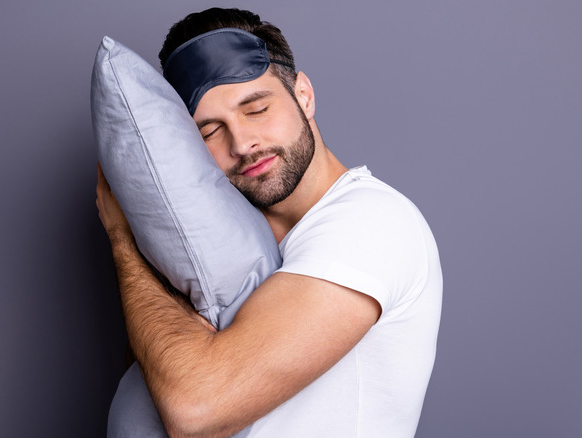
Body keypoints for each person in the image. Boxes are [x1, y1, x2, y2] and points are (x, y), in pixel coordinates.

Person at [96, 7, 442, 437]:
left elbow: (195, 409)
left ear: (304, 95)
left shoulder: (370, 222)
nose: (243, 143)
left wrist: (122, 242)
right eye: (209, 132)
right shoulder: (225, 246)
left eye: (256, 108)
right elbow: (157, 368)